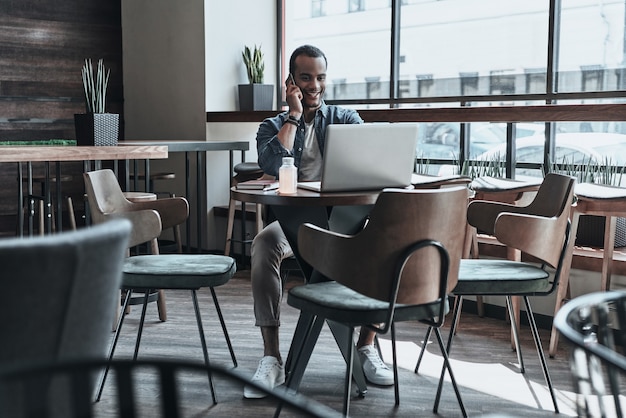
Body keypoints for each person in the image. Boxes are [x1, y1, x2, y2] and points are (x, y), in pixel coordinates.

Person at [243, 44, 394, 399]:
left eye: (321, 77)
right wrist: (294, 116)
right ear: (291, 80)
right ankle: (272, 357)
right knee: (264, 243)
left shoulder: (346, 118)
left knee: (386, 241)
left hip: (342, 221)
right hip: (298, 223)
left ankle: (366, 346)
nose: (314, 85)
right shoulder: (272, 126)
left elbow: (368, 167)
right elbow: (270, 163)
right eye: (306, 77)